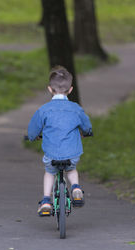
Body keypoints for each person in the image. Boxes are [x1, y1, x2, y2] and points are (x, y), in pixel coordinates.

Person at [27, 66, 92, 216]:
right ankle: (75, 187)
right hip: (72, 152)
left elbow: (33, 129)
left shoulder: (43, 110)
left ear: (50, 89)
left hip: (52, 153)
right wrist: (86, 132)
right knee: (71, 168)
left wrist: (33, 137)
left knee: (50, 172)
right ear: (70, 90)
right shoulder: (76, 109)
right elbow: (87, 126)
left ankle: (46, 201)